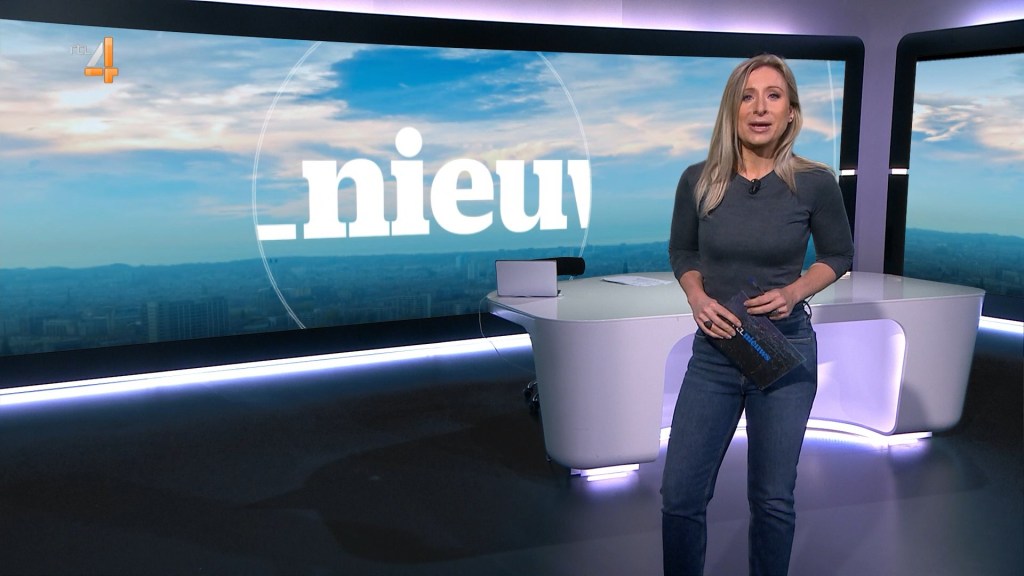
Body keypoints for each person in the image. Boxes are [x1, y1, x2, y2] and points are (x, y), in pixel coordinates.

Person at [661, 53, 854, 576]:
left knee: (771, 499)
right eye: (747, 96)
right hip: (716, 353)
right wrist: (697, 297)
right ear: (732, 109)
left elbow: (839, 255)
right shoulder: (698, 180)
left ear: (791, 111)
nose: (760, 108)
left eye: (773, 96)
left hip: (783, 349)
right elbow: (683, 252)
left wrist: (794, 292)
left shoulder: (814, 182)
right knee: (679, 495)